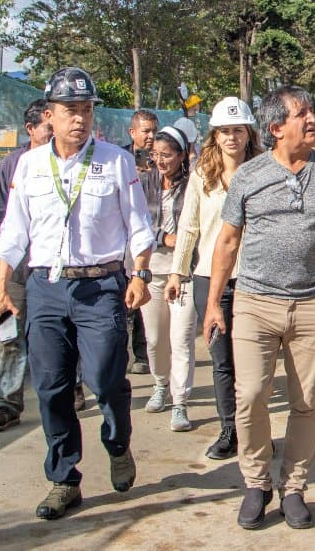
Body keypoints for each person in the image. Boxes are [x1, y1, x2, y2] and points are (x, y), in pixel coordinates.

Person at [0, 67, 154, 520]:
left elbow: (139, 226)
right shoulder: (28, 164)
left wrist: (140, 274)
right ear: (50, 114)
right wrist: (2, 287)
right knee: (50, 385)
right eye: (69, 111)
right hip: (45, 286)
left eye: (85, 110)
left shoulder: (115, 161)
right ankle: (64, 479)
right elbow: (12, 233)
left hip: (100, 285)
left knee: (104, 377)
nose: (79, 119)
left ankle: (117, 441)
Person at [203, 86, 315, 530]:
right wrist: (214, 304)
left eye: (311, 111)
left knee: (305, 402)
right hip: (254, 303)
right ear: (275, 128)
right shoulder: (249, 176)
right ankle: (256, 482)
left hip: (312, 305)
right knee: (249, 397)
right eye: (301, 114)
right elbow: (227, 241)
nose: (312, 119)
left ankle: (293, 488)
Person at [165, 96, 264, 460]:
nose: (231, 138)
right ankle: (229, 430)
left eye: (238, 130)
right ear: (215, 136)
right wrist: (177, 271)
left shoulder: (263, 171)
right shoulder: (201, 175)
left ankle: (257, 431)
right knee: (222, 360)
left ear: (248, 133)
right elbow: (188, 227)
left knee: (255, 365)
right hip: (209, 278)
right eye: (224, 131)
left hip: (255, 277)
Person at [0, 99, 86, 431]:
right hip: (18, 271)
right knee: (10, 335)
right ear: (32, 129)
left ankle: (72, 389)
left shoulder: (82, 162)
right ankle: (7, 402)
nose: (53, 129)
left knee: (66, 335)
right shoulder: (14, 165)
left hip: (59, 270)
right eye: (45, 125)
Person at [138, 126, 197, 432]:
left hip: (184, 272)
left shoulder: (193, 185)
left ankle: (180, 402)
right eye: (156, 154)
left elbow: (198, 223)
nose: (160, 161)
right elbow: (134, 223)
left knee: (181, 340)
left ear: (182, 155)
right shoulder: (144, 183)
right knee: (155, 339)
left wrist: (182, 242)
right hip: (152, 271)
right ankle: (160, 384)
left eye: (167, 155)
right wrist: (163, 235)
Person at [120, 110, 159, 375]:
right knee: (123, 304)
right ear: (132, 133)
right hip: (122, 244)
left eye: (154, 130)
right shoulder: (119, 160)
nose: (151, 136)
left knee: (145, 297)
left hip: (151, 242)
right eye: (145, 131)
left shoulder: (164, 158)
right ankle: (118, 355)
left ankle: (143, 354)